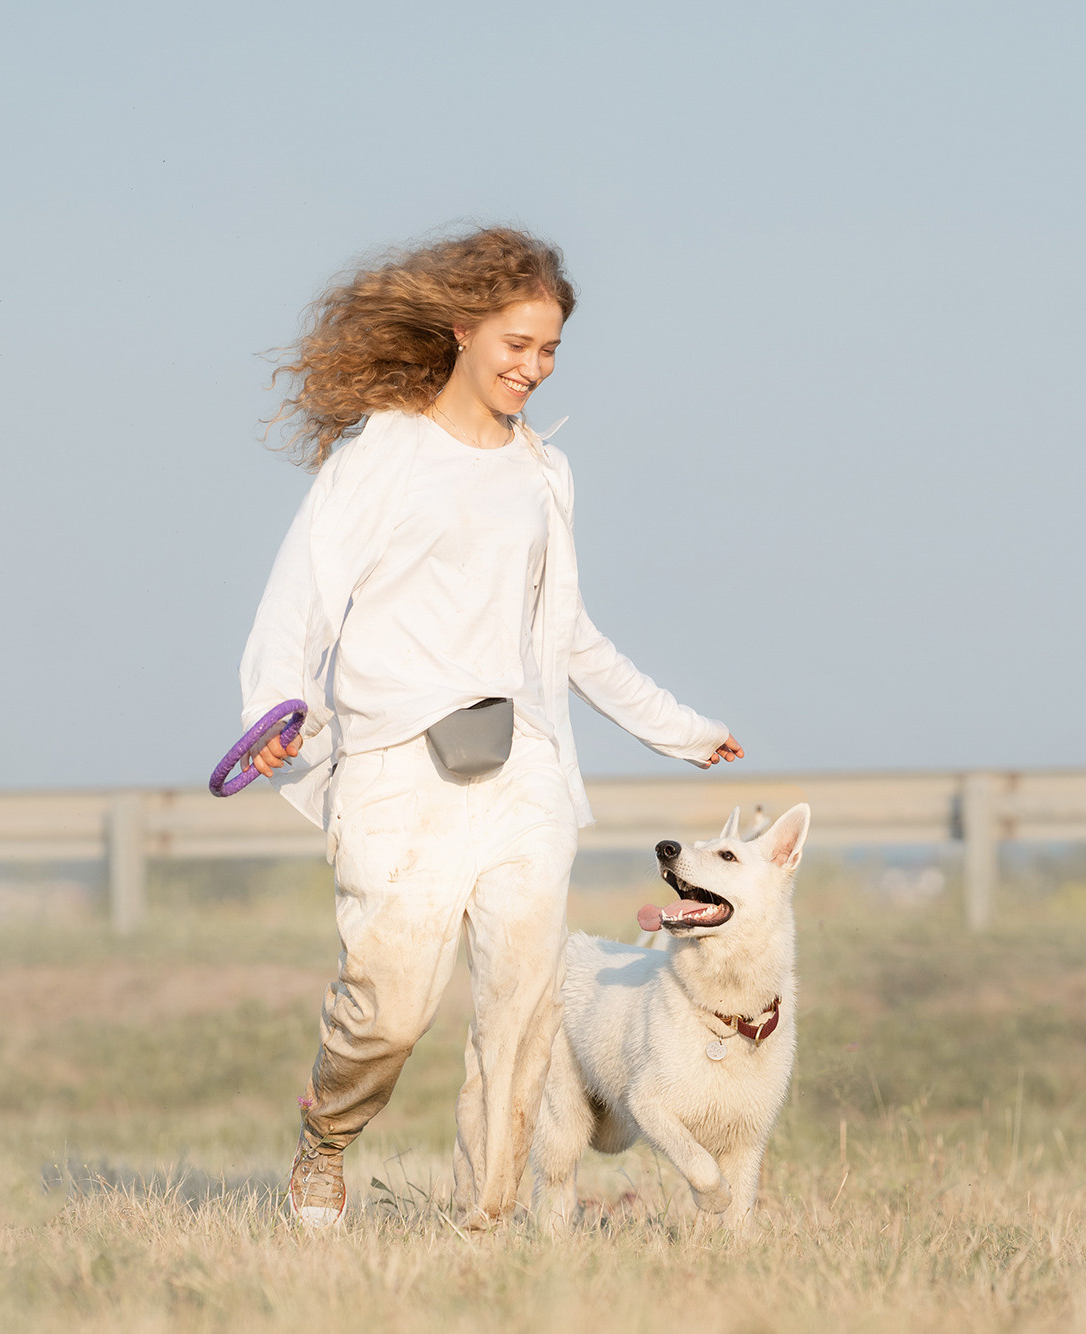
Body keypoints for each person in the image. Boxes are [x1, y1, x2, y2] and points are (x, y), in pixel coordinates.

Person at [237, 226, 741, 1229]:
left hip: (522, 771)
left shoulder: (541, 472)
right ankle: (325, 1141)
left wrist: (676, 727)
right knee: (388, 1009)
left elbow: (568, 632)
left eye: (550, 349)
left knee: (519, 1008)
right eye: (517, 343)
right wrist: (275, 706)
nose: (533, 366)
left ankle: (484, 1222)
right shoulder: (380, 453)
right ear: (462, 330)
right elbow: (301, 598)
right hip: (394, 771)